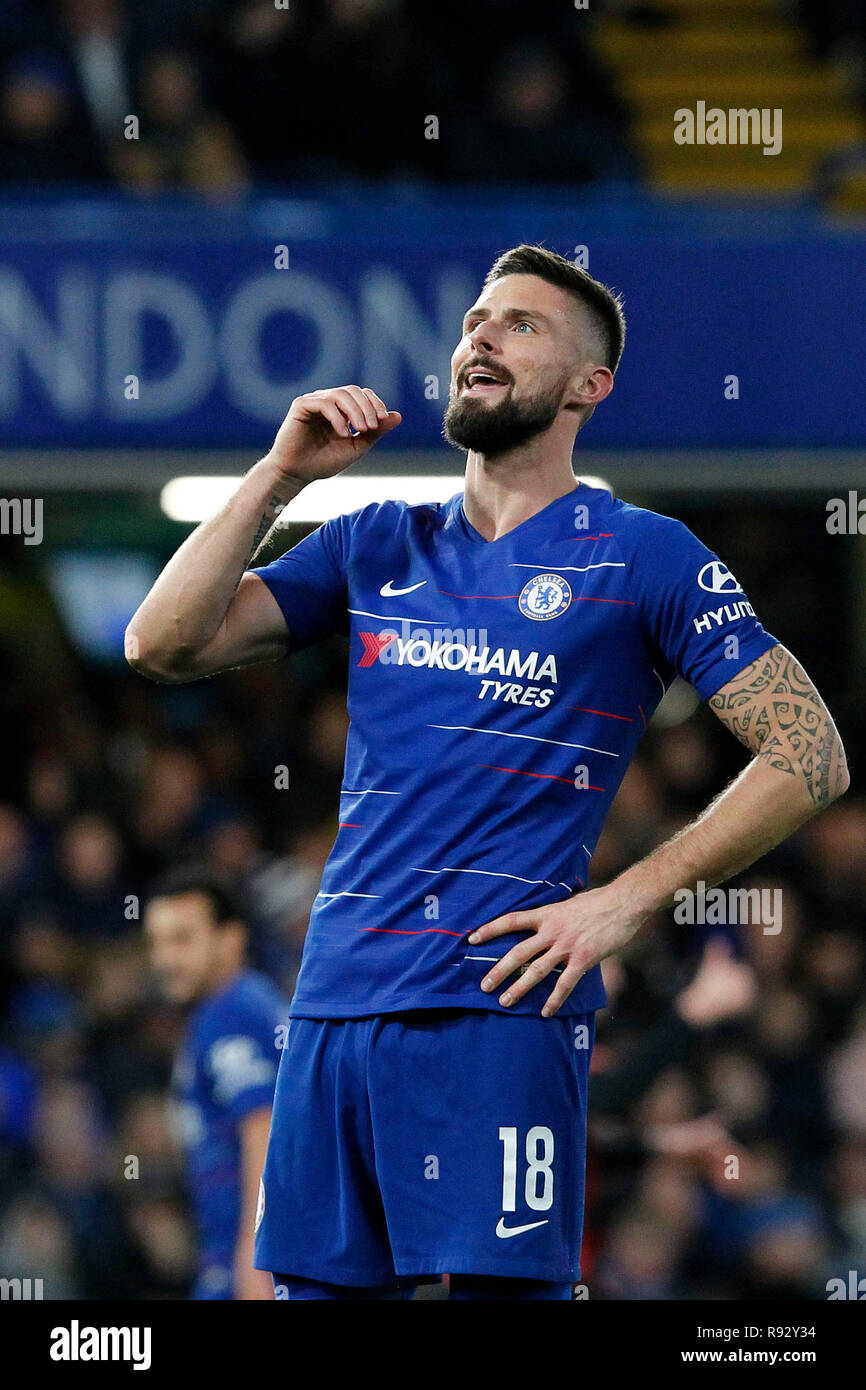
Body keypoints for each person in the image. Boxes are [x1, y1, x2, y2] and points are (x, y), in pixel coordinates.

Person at [126, 244, 849, 1300]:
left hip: (497, 1011)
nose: (479, 337)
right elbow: (161, 643)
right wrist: (279, 476)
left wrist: (626, 900)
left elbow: (810, 750)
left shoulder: (640, 554)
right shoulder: (374, 541)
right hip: (329, 1009)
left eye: (519, 325)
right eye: (473, 320)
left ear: (587, 385)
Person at [143, 864, 287, 1299]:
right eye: (156, 942)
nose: (165, 960)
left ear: (231, 938)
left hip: (247, 1265)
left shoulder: (230, 1012)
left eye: (183, 940)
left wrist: (253, 1260)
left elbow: (263, 1126)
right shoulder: (247, 1004)